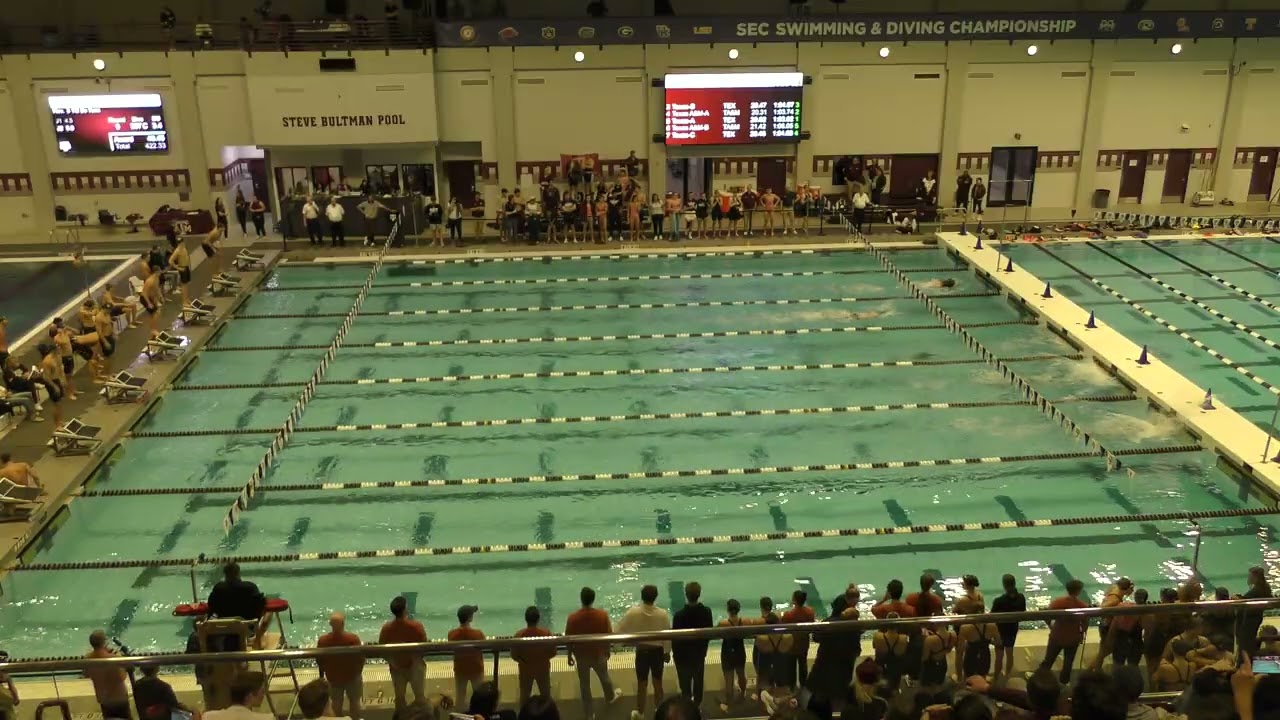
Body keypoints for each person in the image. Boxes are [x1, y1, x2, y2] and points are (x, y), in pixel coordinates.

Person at [564, 587, 621, 718]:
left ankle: (589, 714)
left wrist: (569, 655)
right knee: (604, 677)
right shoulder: (602, 615)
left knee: (584, 685)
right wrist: (607, 651)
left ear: (581, 599)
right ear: (593, 599)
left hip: (581, 655)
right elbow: (608, 635)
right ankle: (610, 697)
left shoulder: (573, 618)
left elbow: (568, 638)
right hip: (598, 653)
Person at [616, 585, 670, 720]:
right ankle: (660, 711)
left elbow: (618, 631)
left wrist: (622, 645)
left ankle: (640, 713)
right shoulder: (662, 614)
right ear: (656, 597)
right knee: (658, 683)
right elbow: (667, 635)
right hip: (657, 652)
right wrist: (667, 652)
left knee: (642, 684)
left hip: (642, 652)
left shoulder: (633, 613)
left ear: (642, 596)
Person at [379, 596, 427, 714]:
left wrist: (393, 660)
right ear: (405, 610)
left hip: (396, 667)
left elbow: (381, 649)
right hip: (415, 666)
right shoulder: (416, 626)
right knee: (420, 698)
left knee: (400, 698)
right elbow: (424, 647)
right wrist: (414, 659)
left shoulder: (386, 628)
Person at [316, 612, 364, 720]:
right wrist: (358, 673)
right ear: (343, 624)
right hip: (352, 677)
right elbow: (361, 659)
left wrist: (323, 675)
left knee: (336, 706)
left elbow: (319, 660)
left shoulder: (323, 641)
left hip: (333, 678)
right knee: (355, 703)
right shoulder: (353, 639)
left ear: (330, 624)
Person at [207, 562, 268, 647]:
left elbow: (210, 609)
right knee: (269, 612)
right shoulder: (250, 587)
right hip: (247, 630)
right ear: (238, 573)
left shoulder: (218, 589)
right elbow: (261, 607)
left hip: (223, 629)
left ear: (225, 574)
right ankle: (257, 640)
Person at [672, 581, 713, 705]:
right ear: (699, 594)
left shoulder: (679, 615)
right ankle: (697, 706)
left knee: (685, 685)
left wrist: (675, 655)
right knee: (698, 681)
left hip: (682, 656)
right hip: (699, 653)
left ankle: (687, 708)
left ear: (686, 594)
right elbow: (709, 633)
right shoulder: (706, 612)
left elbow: (675, 638)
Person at [1041, 578, 1088, 685]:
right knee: (1068, 664)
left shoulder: (1058, 602)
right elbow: (1085, 624)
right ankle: (1063, 683)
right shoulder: (1082, 606)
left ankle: (1041, 679)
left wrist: (1051, 626)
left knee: (1048, 660)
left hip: (1056, 636)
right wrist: (1081, 634)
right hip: (1073, 639)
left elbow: (1046, 616)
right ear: (1079, 591)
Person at [511, 606, 556, 707]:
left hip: (525, 669)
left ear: (526, 619)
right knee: (546, 696)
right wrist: (542, 658)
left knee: (524, 696)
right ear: (538, 618)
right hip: (542, 668)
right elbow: (553, 652)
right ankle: (548, 715)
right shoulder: (546, 634)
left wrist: (524, 660)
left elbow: (514, 655)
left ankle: (523, 716)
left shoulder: (519, 635)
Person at [84, 631, 130, 719]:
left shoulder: (88, 659)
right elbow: (122, 677)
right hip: (119, 699)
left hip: (103, 699)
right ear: (104, 642)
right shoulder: (115, 658)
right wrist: (117, 655)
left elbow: (86, 674)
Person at [990, 574, 1026, 684]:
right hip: (1013, 629)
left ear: (1004, 585)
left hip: (1000, 631)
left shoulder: (999, 601)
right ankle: (1007, 675)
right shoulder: (1021, 598)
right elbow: (1023, 612)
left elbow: (991, 616)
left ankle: (996, 677)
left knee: (999, 655)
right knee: (1010, 653)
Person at [448, 605, 485, 708]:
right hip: (476, 668)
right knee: (479, 697)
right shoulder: (478, 634)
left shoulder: (452, 634)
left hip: (460, 669)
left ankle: (458, 717)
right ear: (470, 618)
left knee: (460, 697)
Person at [955, 599, 1000, 682]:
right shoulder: (992, 626)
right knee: (982, 679)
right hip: (985, 658)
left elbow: (959, 653)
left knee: (969, 681)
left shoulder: (965, 628)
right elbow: (999, 647)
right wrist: (997, 676)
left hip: (971, 658)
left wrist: (959, 676)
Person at [717, 600, 748, 712]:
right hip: (740, 651)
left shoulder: (723, 624)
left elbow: (714, 634)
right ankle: (743, 694)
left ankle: (729, 704)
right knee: (741, 674)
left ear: (728, 609)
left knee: (728, 679)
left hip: (727, 652)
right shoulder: (744, 621)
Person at [203, 671, 273, 720]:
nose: (263, 695)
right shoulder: (267, 718)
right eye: (262, 691)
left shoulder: (208, 717)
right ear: (249, 695)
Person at [754, 612, 794, 697]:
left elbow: (757, 650)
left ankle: (766, 707)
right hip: (781, 667)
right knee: (782, 693)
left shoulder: (761, 638)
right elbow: (790, 648)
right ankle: (780, 707)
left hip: (766, 667)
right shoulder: (788, 637)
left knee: (765, 694)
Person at [782, 590, 815, 688]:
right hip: (804, 643)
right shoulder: (810, 612)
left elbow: (783, 629)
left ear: (794, 600)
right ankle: (803, 685)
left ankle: (792, 687)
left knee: (791, 667)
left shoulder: (788, 615)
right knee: (803, 664)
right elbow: (811, 627)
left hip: (791, 645)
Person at [1237, 566, 1273, 656]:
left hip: (1250, 620)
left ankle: (1245, 664)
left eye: (1250, 576)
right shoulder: (1263, 589)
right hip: (1256, 618)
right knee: (1249, 643)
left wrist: (1237, 598)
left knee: (1245, 646)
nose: (1248, 578)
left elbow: (1244, 600)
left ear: (1255, 577)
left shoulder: (1256, 590)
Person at [871, 615, 910, 691]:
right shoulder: (903, 638)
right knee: (895, 682)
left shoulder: (877, 636)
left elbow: (874, 646)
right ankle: (895, 689)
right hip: (896, 666)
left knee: (880, 682)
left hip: (881, 664)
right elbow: (904, 652)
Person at [167, 232, 191, 307]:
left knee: (187, 284)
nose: (181, 244)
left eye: (181, 242)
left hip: (186, 267)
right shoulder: (177, 251)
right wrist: (178, 268)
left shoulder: (184, 247)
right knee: (183, 285)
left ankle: (187, 299)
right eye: (179, 243)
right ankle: (184, 301)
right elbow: (170, 261)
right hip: (182, 268)